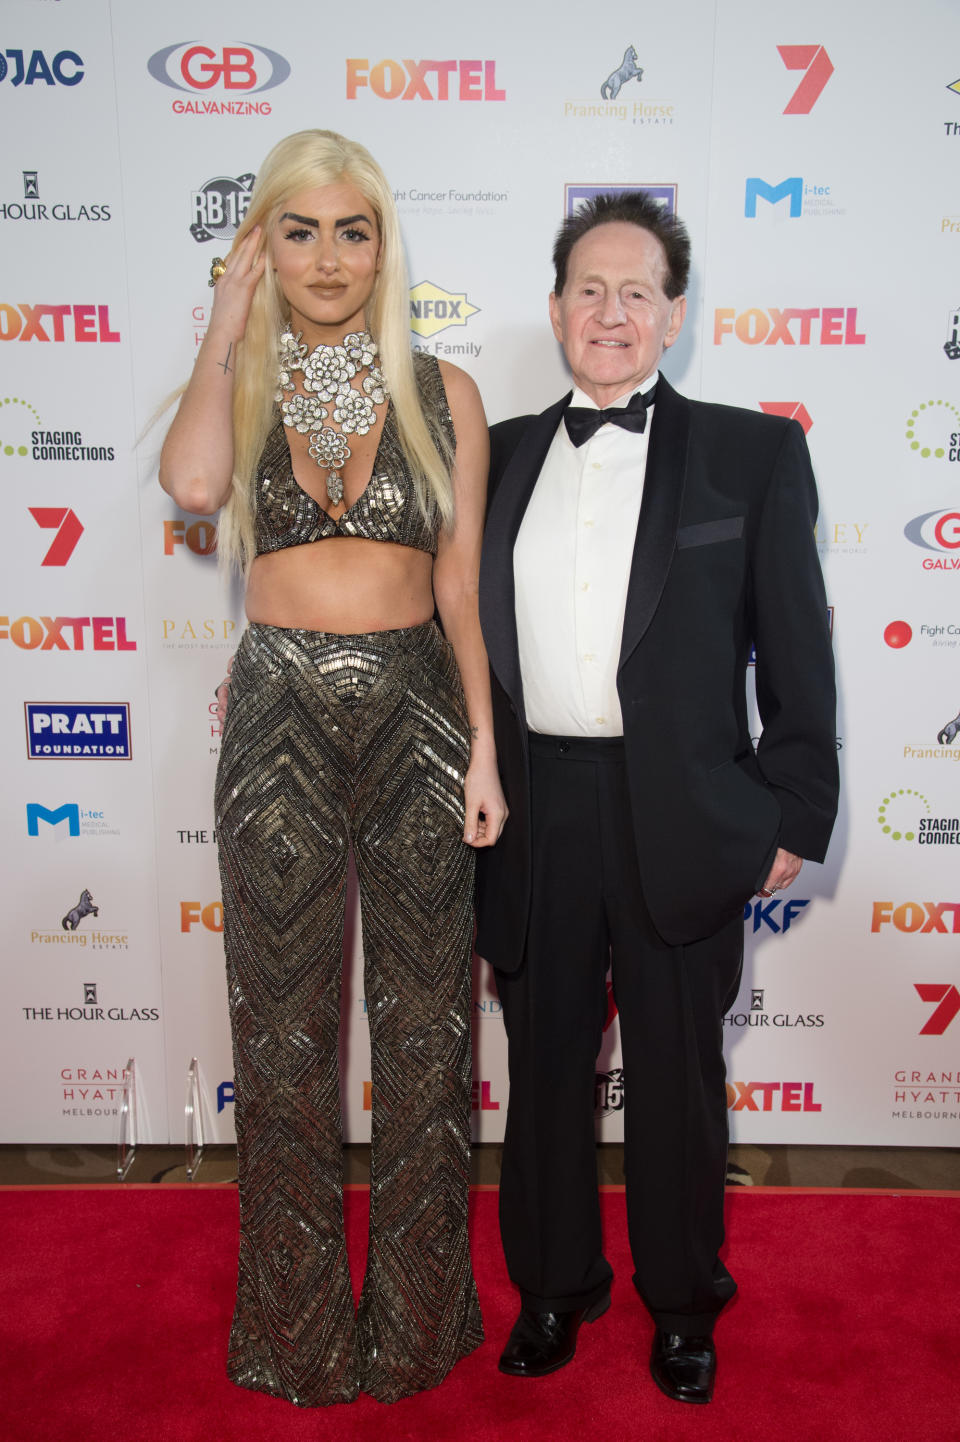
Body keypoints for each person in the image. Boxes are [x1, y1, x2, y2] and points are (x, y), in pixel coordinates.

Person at [159, 129, 506, 1407]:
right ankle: (297, 1334)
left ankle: (416, 1326)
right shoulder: (241, 386)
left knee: (425, 1033)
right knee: (286, 1032)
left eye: (350, 229)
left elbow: (460, 587)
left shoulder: (443, 389)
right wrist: (224, 317)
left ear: (382, 242)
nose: (327, 255)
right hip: (278, 713)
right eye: (295, 230)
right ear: (263, 242)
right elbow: (192, 483)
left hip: (420, 709)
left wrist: (483, 750)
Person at [475, 193, 838, 1405]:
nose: (612, 311)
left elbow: (798, 648)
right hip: (539, 799)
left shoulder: (754, 452)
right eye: (590, 287)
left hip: (683, 804)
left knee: (679, 1072)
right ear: (555, 308)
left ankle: (684, 1302)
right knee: (546, 1065)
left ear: (675, 316)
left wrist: (794, 807)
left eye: (638, 291)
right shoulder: (506, 452)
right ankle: (554, 1285)